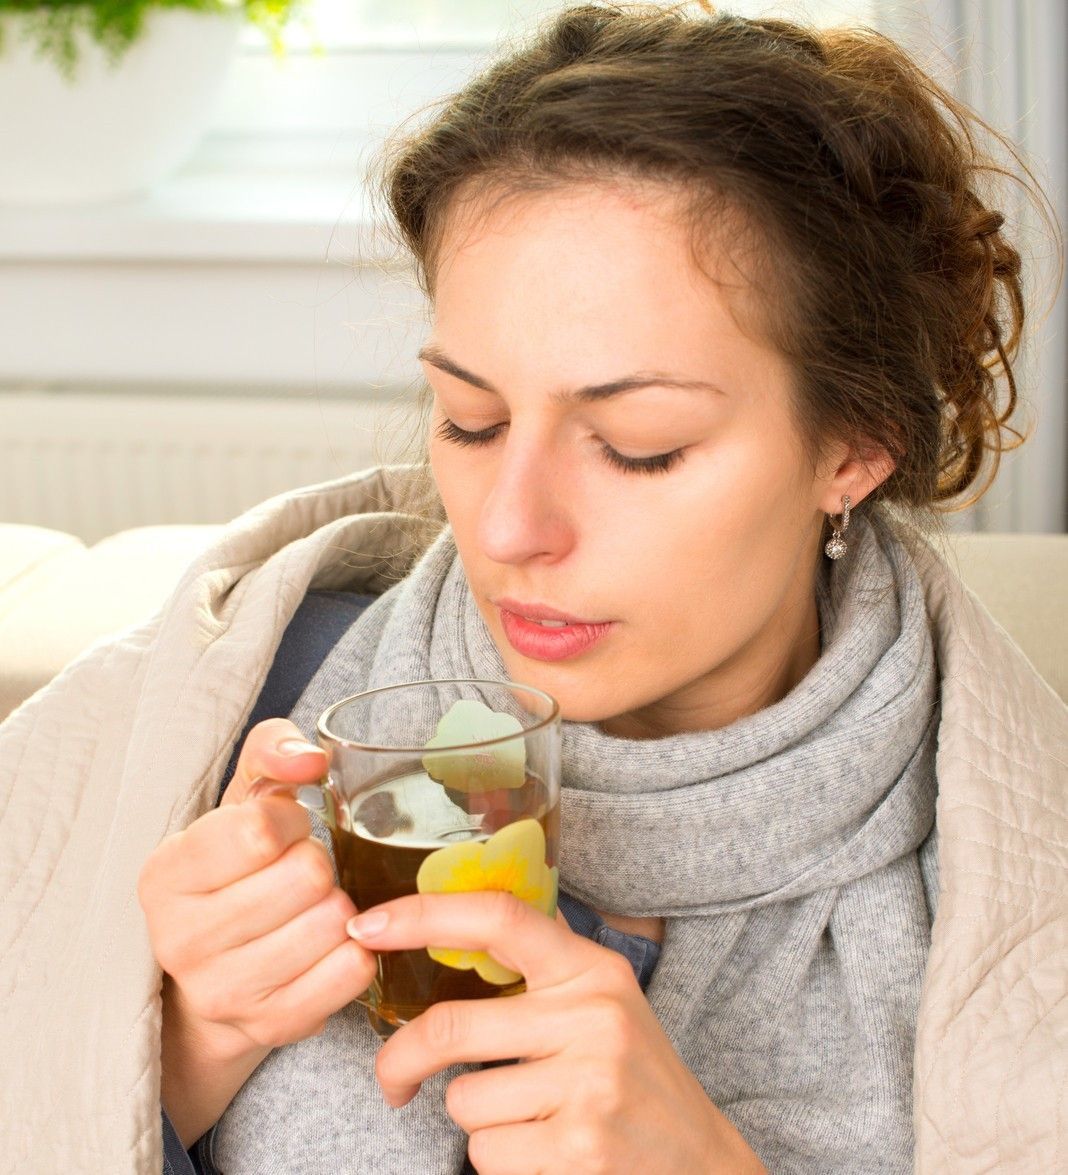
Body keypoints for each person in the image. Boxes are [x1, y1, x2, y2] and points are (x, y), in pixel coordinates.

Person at [1, 4, 1065, 1173]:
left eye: (639, 442)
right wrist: (173, 1059)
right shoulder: (249, 702)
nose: (506, 528)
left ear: (853, 447)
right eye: (471, 418)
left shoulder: (995, 884)